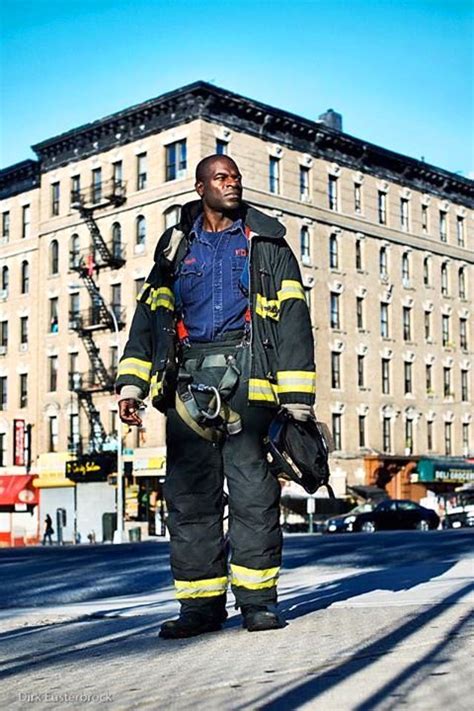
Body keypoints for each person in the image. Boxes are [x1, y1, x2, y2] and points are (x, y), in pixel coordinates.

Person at [116, 155, 316, 638]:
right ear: (200, 186)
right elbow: (150, 319)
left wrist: (296, 398)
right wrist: (132, 386)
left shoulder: (266, 243)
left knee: (254, 496)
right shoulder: (174, 246)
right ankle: (201, 608)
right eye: (222, 178)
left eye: (236, 177)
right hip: (187, 382)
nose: (233, 184)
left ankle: (257, 603)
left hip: (251, 380)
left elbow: (293, 319)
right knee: (189, 500)